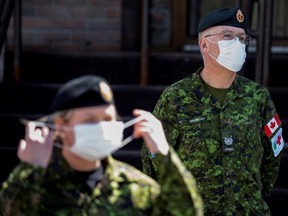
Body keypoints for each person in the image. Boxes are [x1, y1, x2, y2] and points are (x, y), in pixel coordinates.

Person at [141, 7, 284, 215]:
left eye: (242, 39)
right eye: (228, 36)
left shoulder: (257, 96)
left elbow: (273, 155)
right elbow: (152, 158)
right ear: (204, 44)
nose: (238, 44)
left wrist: (251, 198)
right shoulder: (176, 98)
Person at [0, 75, 203, 215]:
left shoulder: (135, 187)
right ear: (61, 127)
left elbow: (187, 211)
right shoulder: (38, 183)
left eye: (108, 119)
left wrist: (163, 154)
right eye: (90, 120)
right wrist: (30, 169)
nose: (102, 127)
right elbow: (12, 210)